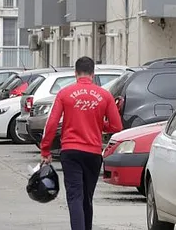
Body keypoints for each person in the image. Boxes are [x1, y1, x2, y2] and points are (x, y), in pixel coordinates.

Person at [40, 57, 123, 230]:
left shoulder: (64, 93)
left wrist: (45, 150)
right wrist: (100, 125)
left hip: (70, 152)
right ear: (93, 74)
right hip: (93, 153)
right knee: (87, 199)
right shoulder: (105, 95)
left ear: (75, 73)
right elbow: (116, 126)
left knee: (75, 197)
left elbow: (52, 123)